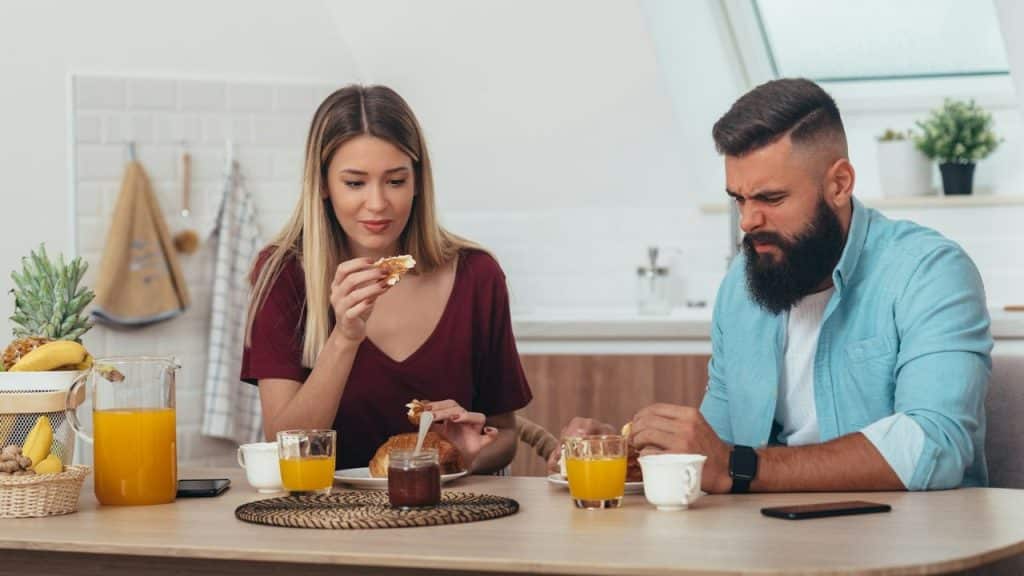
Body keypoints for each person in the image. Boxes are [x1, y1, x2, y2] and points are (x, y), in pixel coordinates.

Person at [551, 78, 992, 493]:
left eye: (771, 199)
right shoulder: (740, 290)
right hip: (771, 541)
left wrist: (741, 467)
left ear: (839, 184)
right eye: (738, 199)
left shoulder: (929, 272)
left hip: (911, 548)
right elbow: (714, 455)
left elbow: (936, 444)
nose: (747, 221)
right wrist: (630, 455)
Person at [241, 85, 532, 473]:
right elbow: (284, 450)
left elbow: (505, 436)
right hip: (322, 525)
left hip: (448, 523)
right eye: (355, 183)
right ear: (323, 184)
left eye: (395, 181)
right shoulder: (284, 274)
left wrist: (461, 453)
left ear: (417, 183)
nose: (377, 204)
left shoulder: (477, 276)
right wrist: (345, 336)